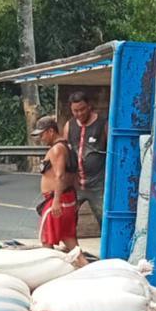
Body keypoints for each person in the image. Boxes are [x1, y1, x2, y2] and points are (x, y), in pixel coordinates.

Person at [32, 116, 86, 264]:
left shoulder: (57, 149)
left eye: (42, 134)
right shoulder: (66, 146)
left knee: (46, 242)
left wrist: (56, 201)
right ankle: (86, 267)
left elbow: (60, 175)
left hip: (57, 201)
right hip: (67, 199)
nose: (41, 138)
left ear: (50, 131)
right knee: (69, 240)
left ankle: (48, 272)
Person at [63, 91, 107, 226]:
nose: (79, 114)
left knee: (103, 219)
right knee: (67, 218)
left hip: (98, 184)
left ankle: (105, 246)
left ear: (89, 106)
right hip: (76, 184)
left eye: (82, 109)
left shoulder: (103, 124)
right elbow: (64, 152)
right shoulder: (69, 125)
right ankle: (70, 246)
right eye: (75, 111)